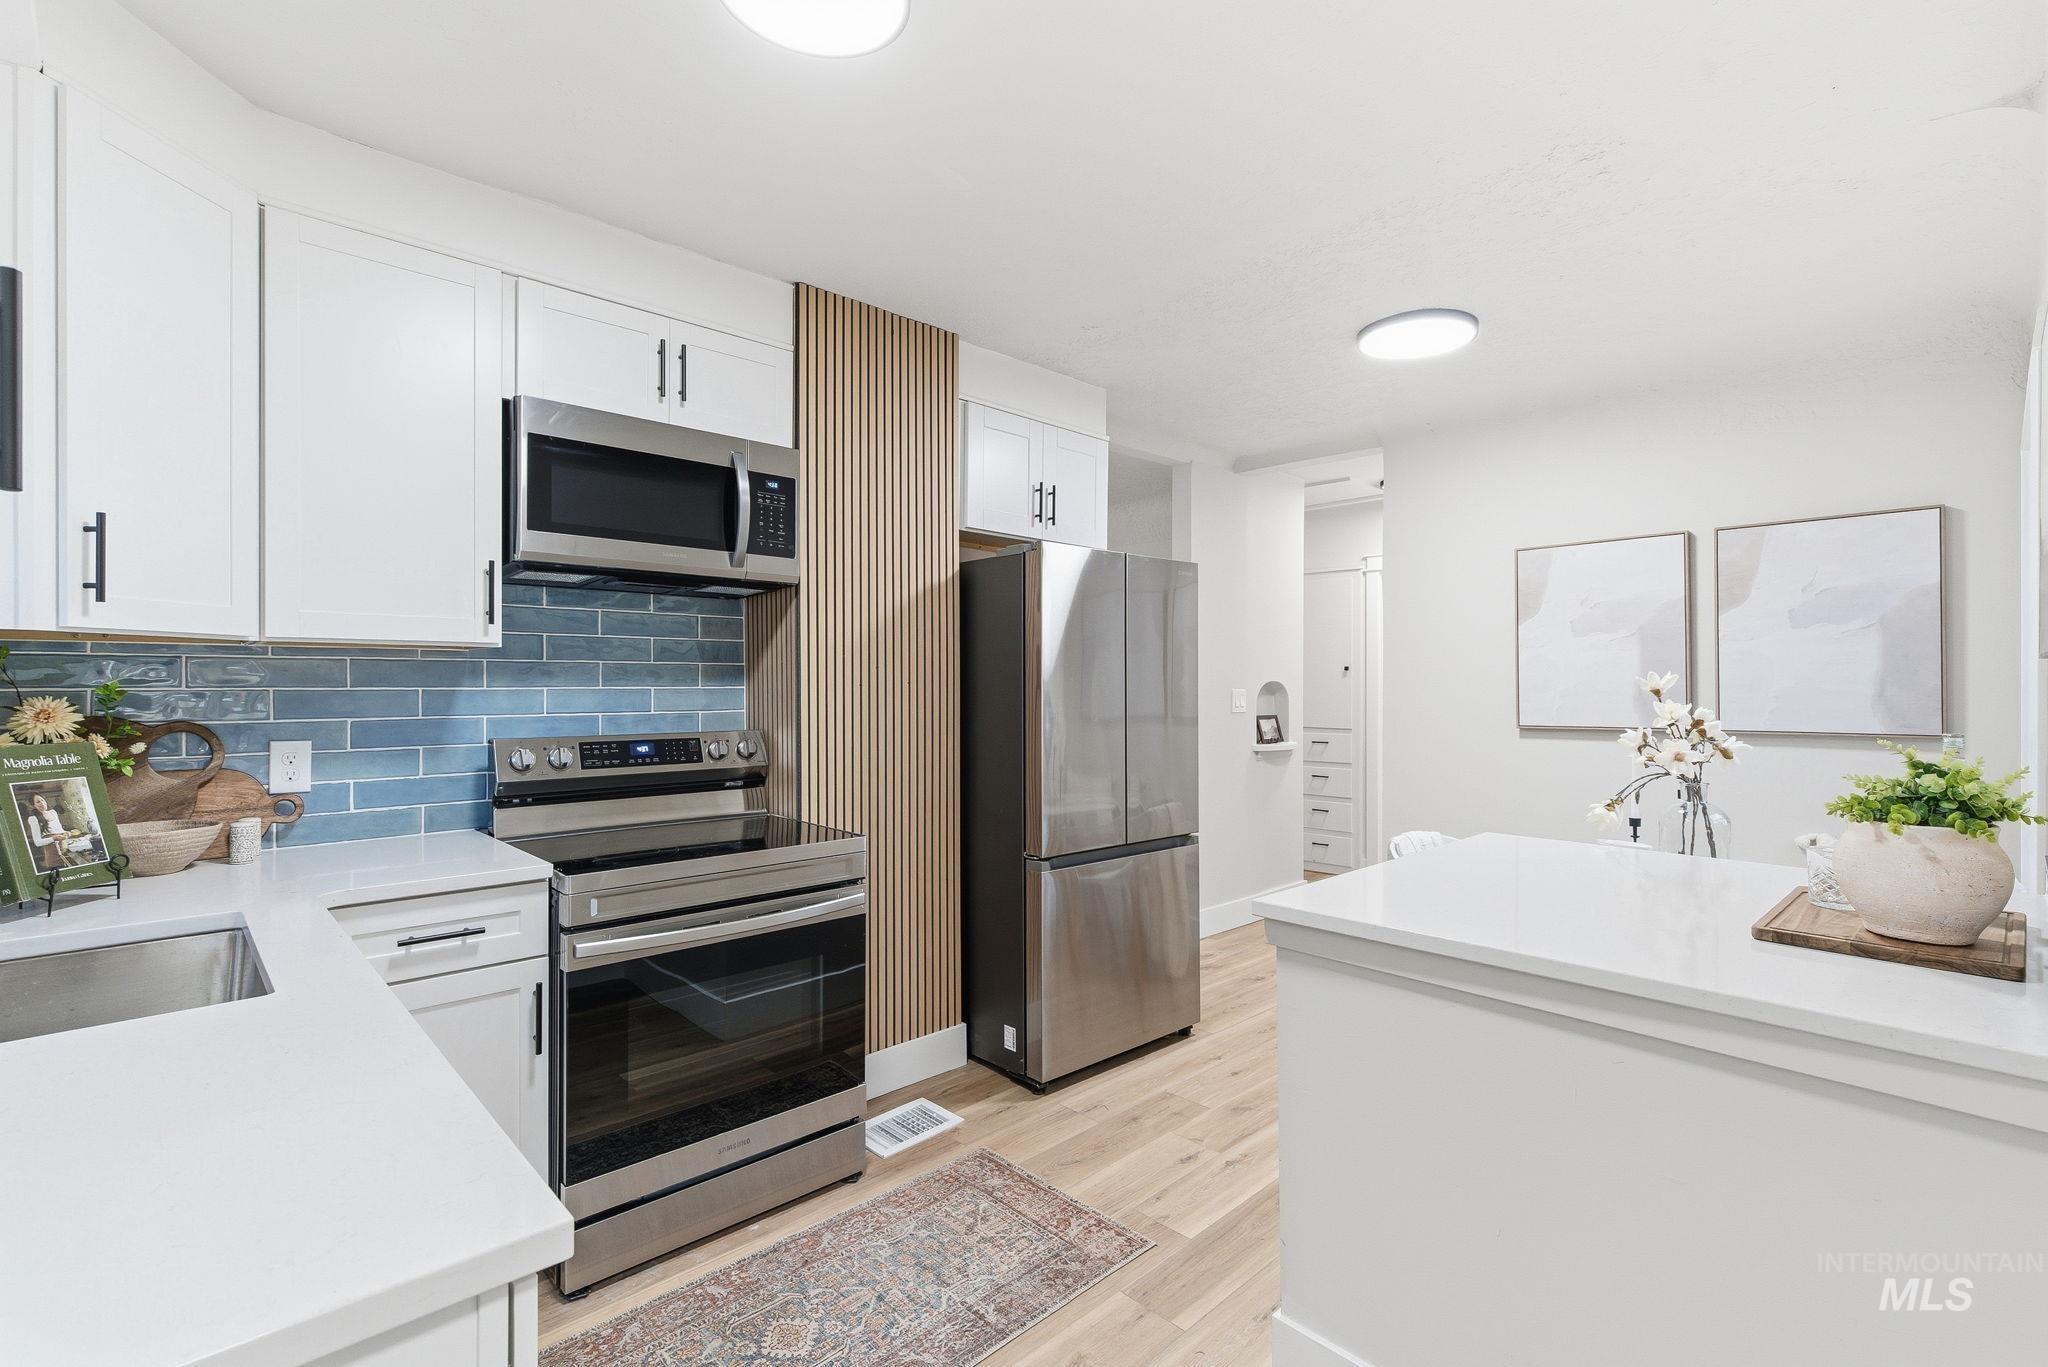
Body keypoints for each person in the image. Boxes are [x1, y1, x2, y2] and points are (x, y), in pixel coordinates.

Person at [22, 792, 84, 871]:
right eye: (38, 802)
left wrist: (67, 833)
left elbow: (60, 830)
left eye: (42, 800)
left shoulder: (53, 813)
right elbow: (37, 842)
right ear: (33, 805)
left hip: (65, 851)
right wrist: (54, 838)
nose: (42, 803)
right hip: (52, 855)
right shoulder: (33, 819)